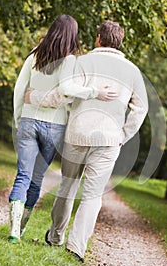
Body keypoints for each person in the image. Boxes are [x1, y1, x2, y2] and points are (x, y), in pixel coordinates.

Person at [26, 20, 148, 261]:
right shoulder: (133, 71)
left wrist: (34, 97)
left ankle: (56, 236)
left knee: (68, 186)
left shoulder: (82, 62)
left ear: (98, 39)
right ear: (119, 42)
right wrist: (123, 135)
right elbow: (140, 109)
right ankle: (76, 248)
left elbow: (63, 94)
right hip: (108, 140)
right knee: (93, 196)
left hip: (77, 135)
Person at [9, 14, 116, 243]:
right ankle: (22, 227)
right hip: (54, 126)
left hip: (28, 121)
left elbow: (20, 90)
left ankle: (14, 231)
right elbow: (67, 89)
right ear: (72, 35)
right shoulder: (69, 60)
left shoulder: (34, 55)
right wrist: (94, 91)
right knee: (36, 178)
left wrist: (19, 118)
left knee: (23, 176)